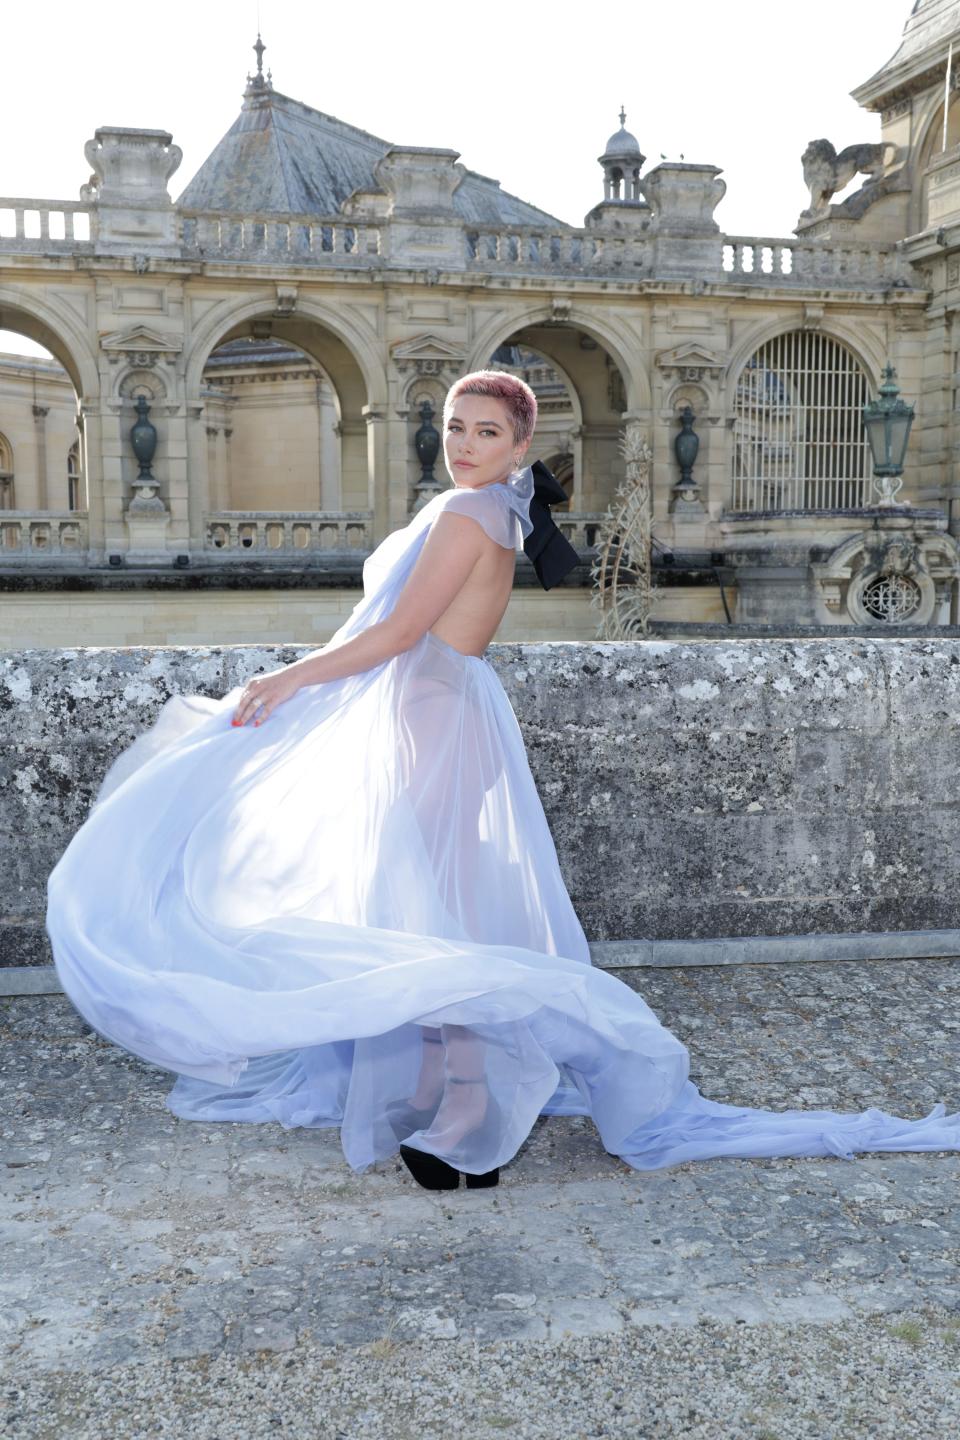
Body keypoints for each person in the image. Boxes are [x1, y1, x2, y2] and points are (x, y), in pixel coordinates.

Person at [47, 371, 960, 1191]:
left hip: (436, 717)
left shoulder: (467, 514)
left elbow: (400, 634)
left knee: (435, 917)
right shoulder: (494, 509)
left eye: (487, 432)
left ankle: (475, 1109)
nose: (464, 444)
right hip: (441, 713)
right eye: (454, 426)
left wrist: (286, 679)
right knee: (436, 910)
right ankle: (458, 1096)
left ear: (523, 446)